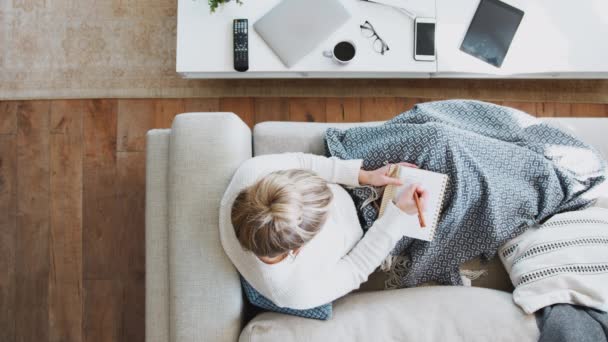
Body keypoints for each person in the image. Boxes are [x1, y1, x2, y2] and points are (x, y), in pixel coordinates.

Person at [219, 153, 428, 310]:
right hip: (372, 235)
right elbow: (355, 268)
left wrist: (365, 176)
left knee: (441, 141)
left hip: (356, 183)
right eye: (325, 215)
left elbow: (304, 163)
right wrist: (397, 216)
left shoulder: (253, 174)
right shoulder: (293, 291)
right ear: (299, 248)